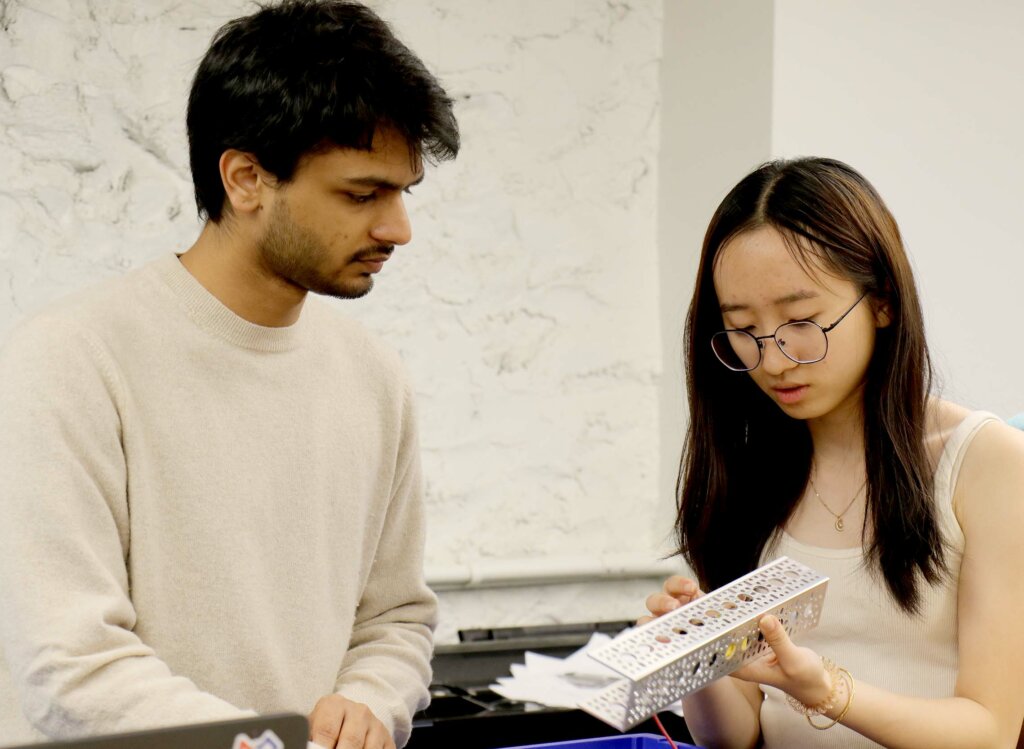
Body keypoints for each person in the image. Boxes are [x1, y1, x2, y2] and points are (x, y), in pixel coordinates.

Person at [0, 2, 458, 748]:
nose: (398, 227)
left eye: (403, 191)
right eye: (362, 193)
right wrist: (266, 741)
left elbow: (394, 619)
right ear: (246, 178)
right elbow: (71, 665)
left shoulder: (372, 376)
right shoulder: (68, 360)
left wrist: (370, 698)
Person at [643, 158, 1024, 748]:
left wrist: (824, 691)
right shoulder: (747, 465)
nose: (772, 360)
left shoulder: (986, 462)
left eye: (801, 321)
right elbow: (734, 736)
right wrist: (694, 657)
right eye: (742, 328)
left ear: (883, 302)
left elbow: (990, 731)